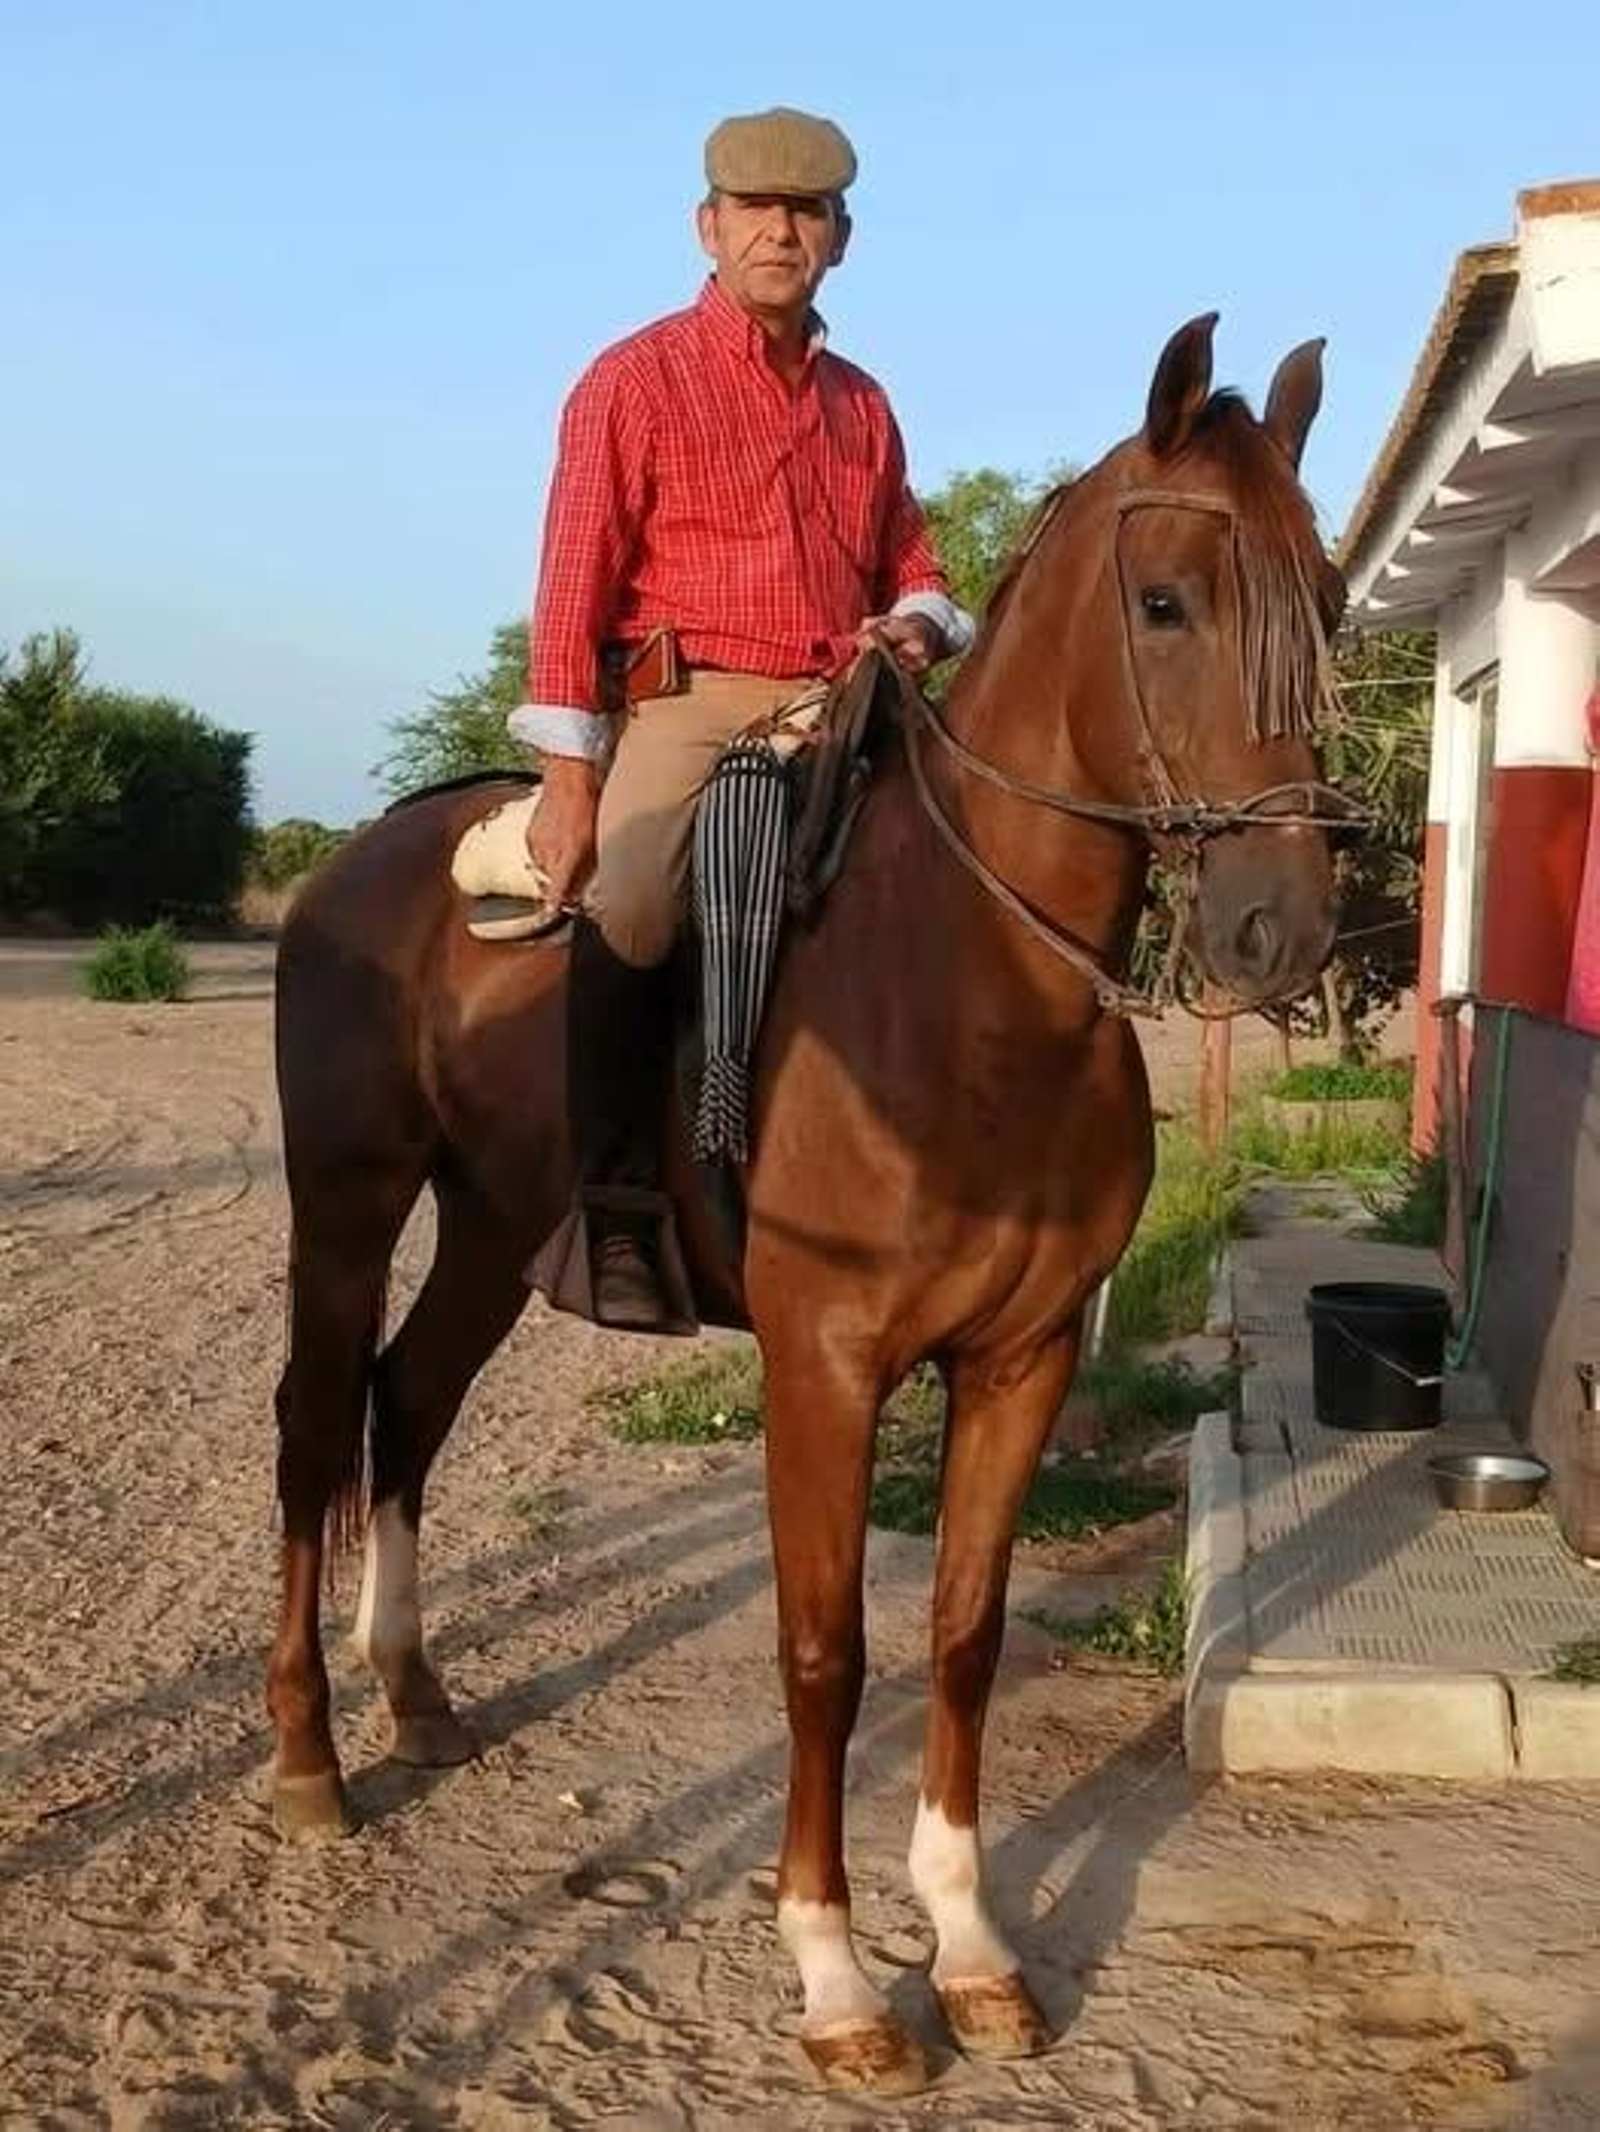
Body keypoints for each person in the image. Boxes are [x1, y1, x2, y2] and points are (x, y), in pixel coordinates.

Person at [511, 105, 973, 1329]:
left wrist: (917, 623)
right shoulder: (632, 378)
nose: (780, 230)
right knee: (642, 894)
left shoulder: (862, 405)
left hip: (847, 698)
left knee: (973, 872)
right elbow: (572, 578)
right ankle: (614, 1211)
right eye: (756, 209)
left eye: (805, 210)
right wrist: (573, 779)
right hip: (697, 694)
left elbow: (912, 556)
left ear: (841, 237)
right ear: (707, 227)